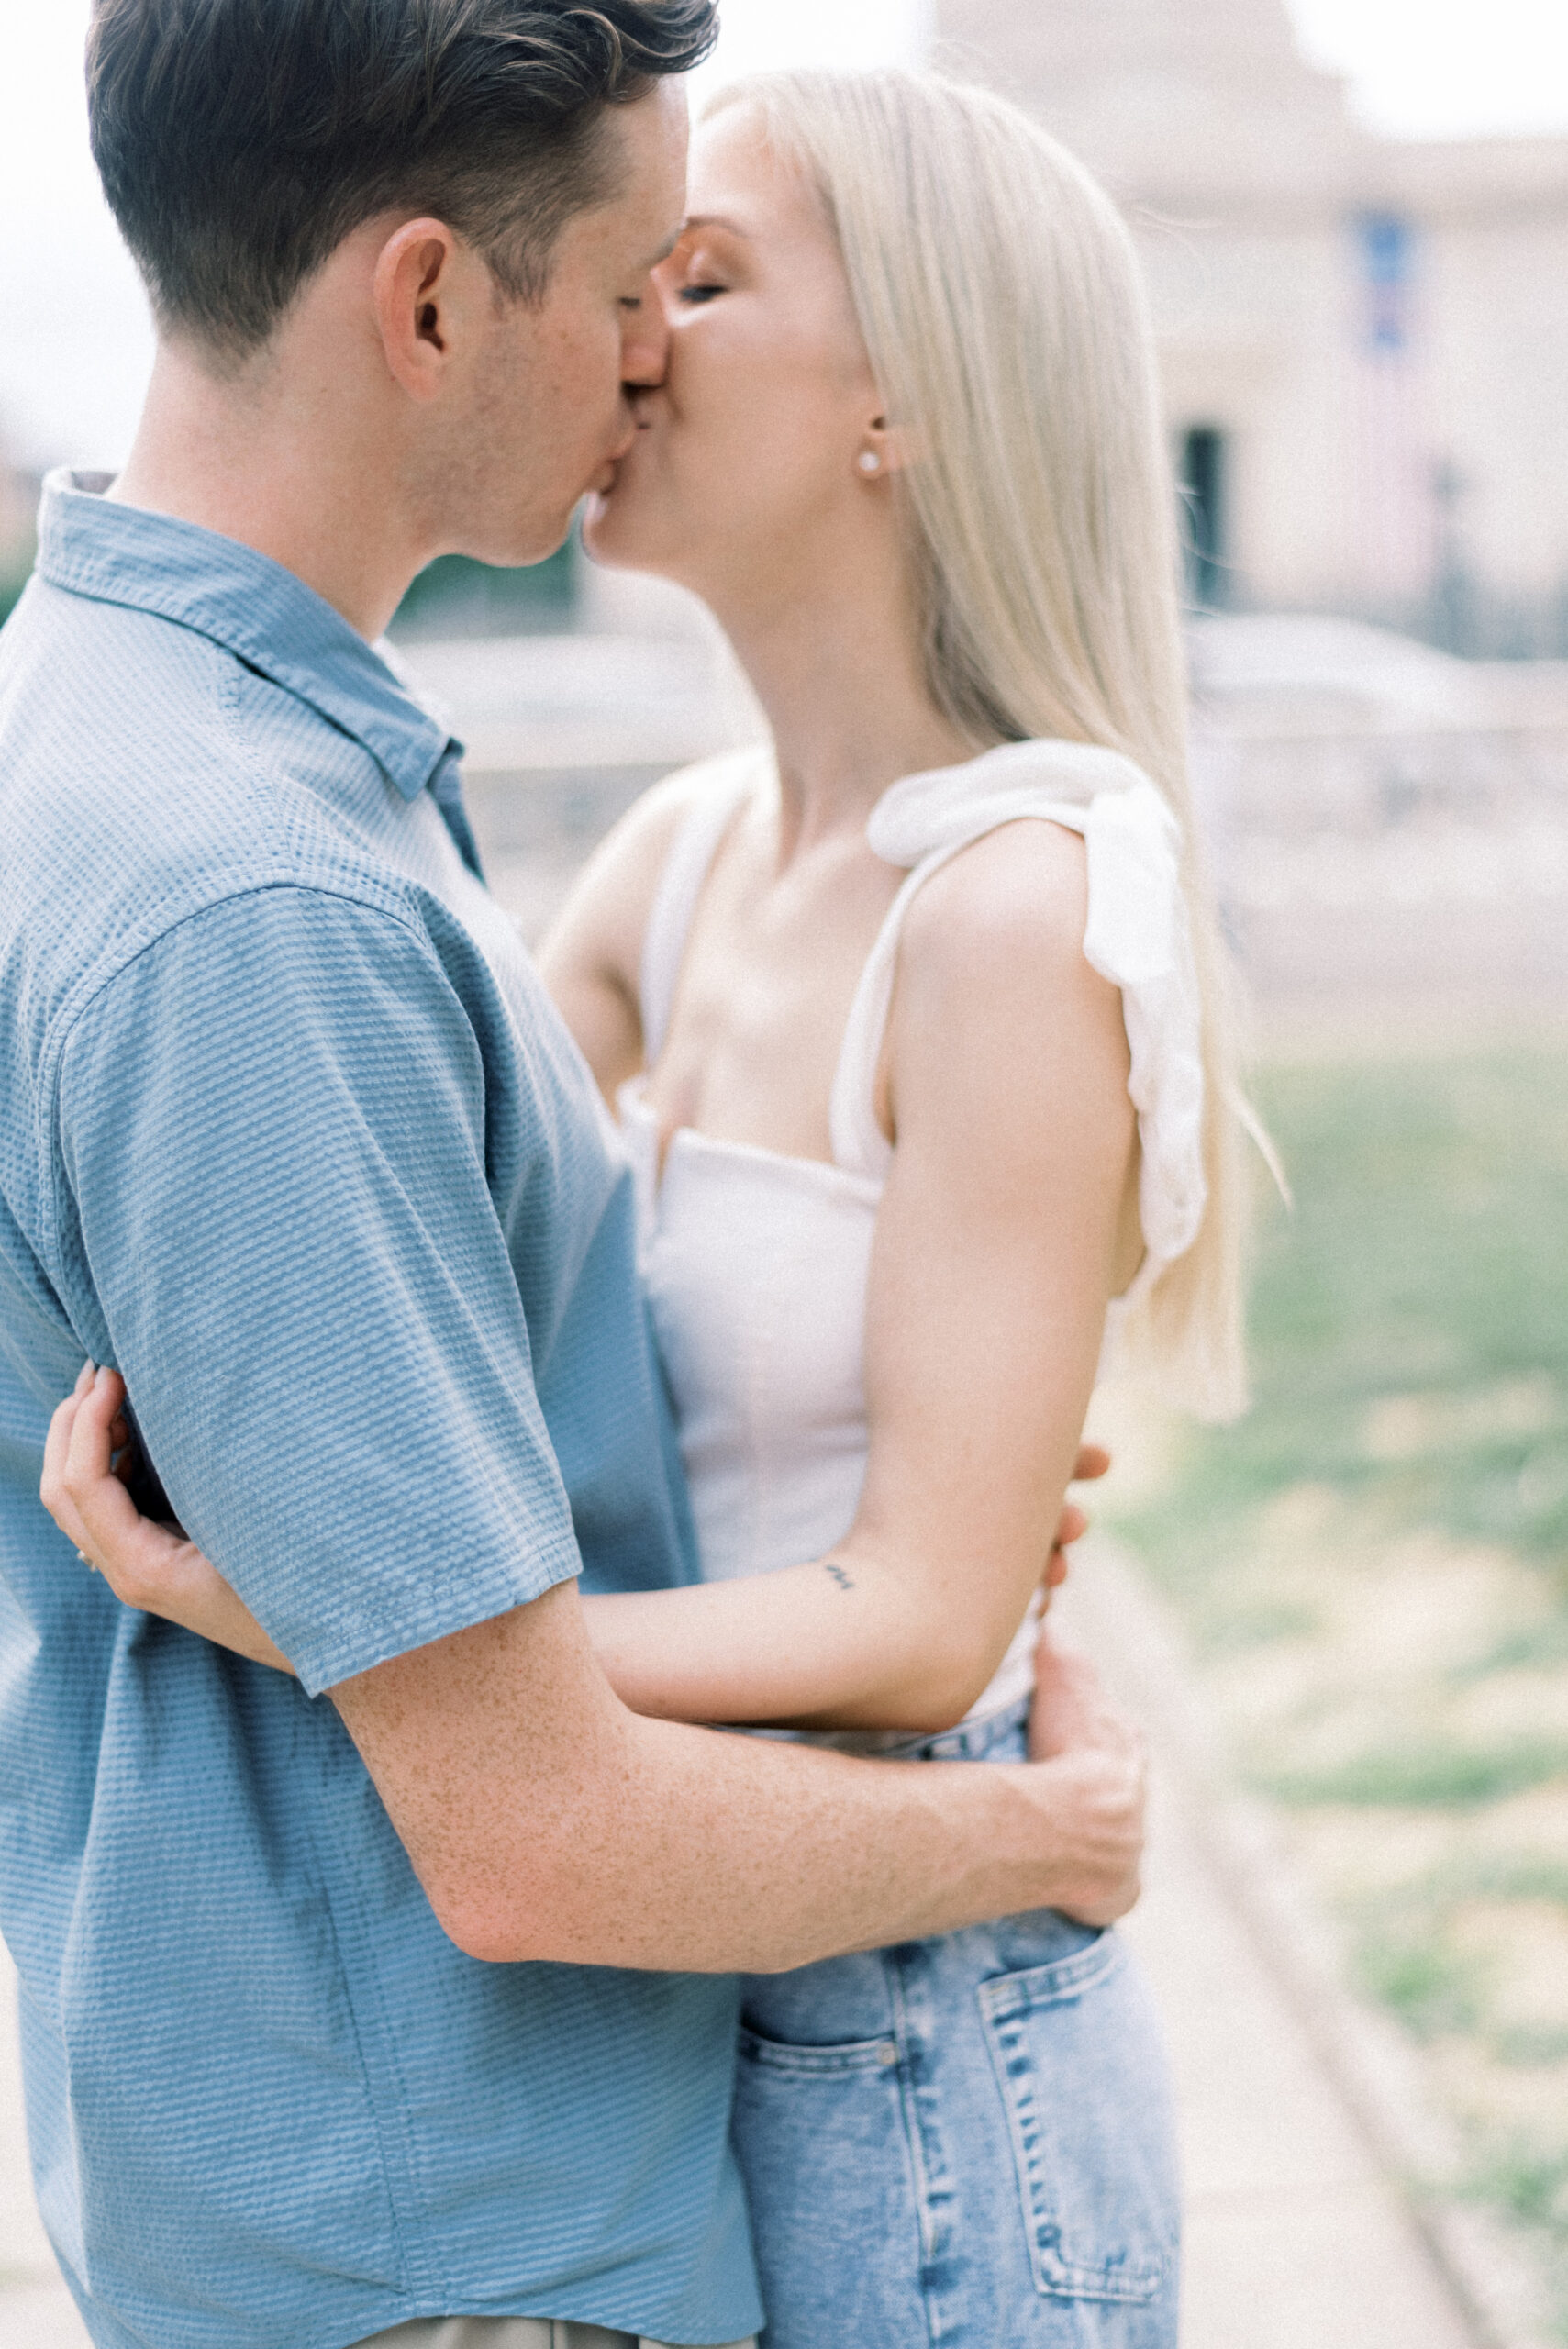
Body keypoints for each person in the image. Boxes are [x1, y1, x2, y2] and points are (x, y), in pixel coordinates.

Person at [40, 56, 1255, 2349]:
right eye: (640, 274)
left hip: (921, 2044)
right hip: (710, 1987)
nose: (639, 341)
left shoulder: (1013, 902)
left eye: (704, 278)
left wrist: (319, 1623)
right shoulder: (672, 861)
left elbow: (911, 1617)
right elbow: (382, 1214)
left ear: (907, 394)